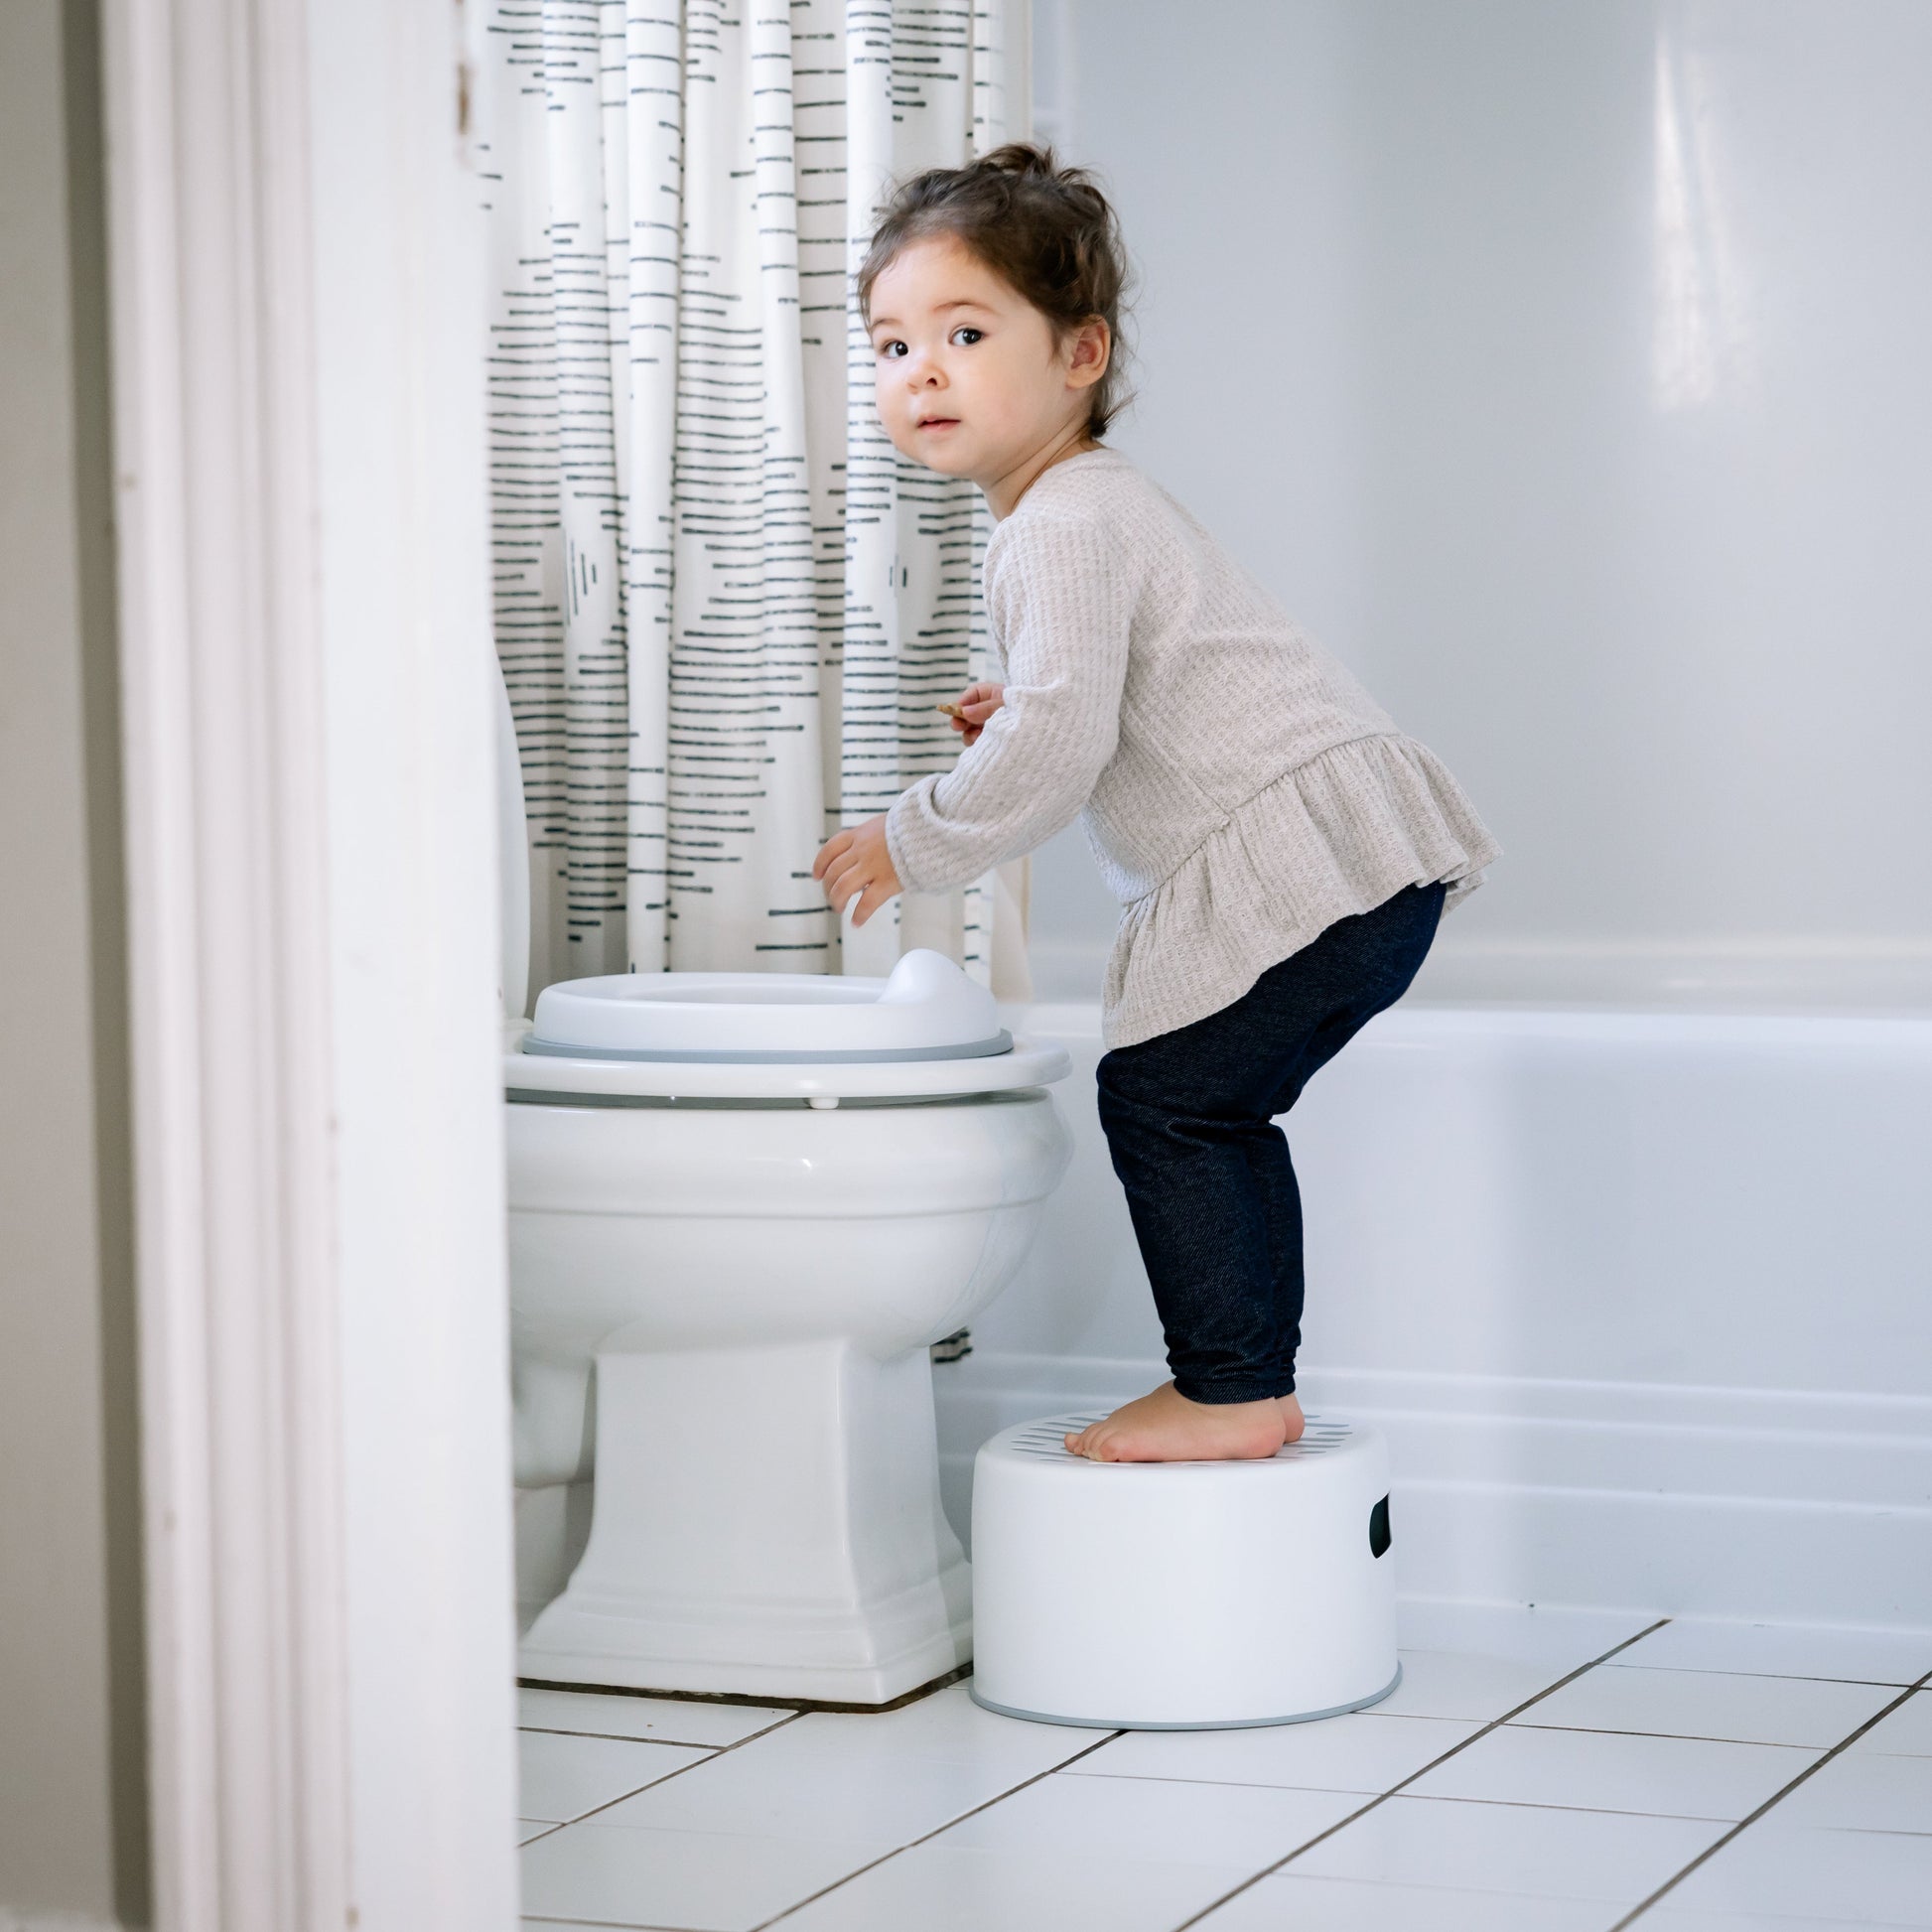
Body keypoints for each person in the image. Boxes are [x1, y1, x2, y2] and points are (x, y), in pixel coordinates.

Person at [812, 143, 1502, 1463]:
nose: (924, 373)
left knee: (1168, 1100)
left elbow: (1060, 749)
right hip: (1349, 864)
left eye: (965, 331)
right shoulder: (1082, 509)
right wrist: (1014, 712)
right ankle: (1241, 1379)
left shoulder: (1059, 520)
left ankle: (1234, 1387)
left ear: (1080, 355)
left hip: (1306, 866)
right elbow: (1095, 702)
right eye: (893, 347)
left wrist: (913, 837)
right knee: (1199, 1101)